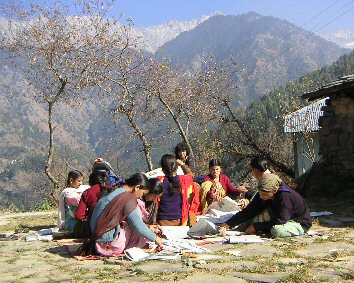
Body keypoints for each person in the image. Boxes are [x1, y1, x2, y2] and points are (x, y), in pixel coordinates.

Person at [78, 173, 164, 257]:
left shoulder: (114, 189)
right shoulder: (127, 198)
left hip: (96, 241)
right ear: (137, 187)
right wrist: (156, 238)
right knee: (136, 229)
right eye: (142, 194)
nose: (140, 197)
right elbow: (138, 225)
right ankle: (131, 246)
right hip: (109, 245)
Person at [219, 173, 312, 238]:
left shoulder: (285, 196)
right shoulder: (264, 194)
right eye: (260, 194)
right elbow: (249, 211)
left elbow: (281, 220)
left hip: (297, 222)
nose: (261, 197)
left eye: (264, 195)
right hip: (279, 218)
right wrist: (227, 224)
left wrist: (257, 227)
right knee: (247, 222)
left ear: (274, 191)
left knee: (276, 231)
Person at [157, 154, 200, 226]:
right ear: (176, 167)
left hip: (162, 221)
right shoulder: (184, 180)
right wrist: (182, 163)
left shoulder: (159, 181)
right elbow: (190, 174)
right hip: (179, 220)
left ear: (162, 169)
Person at [57, 170, 89, 235]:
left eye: (81, 181)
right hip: (70, 221)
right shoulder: (67, 192)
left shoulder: (81, 189)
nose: (81, 183)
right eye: (79, 181)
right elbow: (78, 201)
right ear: (71, 180)